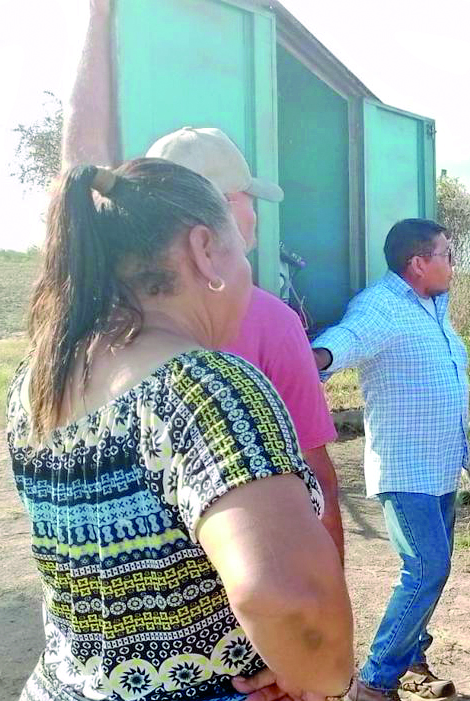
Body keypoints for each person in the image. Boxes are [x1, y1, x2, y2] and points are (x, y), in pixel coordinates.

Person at [8, 159, 353, 701]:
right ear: (205, 250)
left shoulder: (38, 379)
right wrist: (321, 684)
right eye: (241, 250)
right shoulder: (205, 385)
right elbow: (289, 600)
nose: (247, 270)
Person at [146, 126, 346, 567]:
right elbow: (315, 475)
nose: (254, 213)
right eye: (248, 198)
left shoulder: (104, 323)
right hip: (239, 603)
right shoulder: (270, 320)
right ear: (226, 209)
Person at [311, 219, 467, 701]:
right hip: (407, 471)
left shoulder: (433, 307)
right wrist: (311, 356)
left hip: (440, 469)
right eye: (446, 253)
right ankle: (374, 684)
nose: (452, 261)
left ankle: (411, 660)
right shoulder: (382, 306)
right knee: (427, 568)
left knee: (432, 571)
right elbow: (345, 341)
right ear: (419, 263)